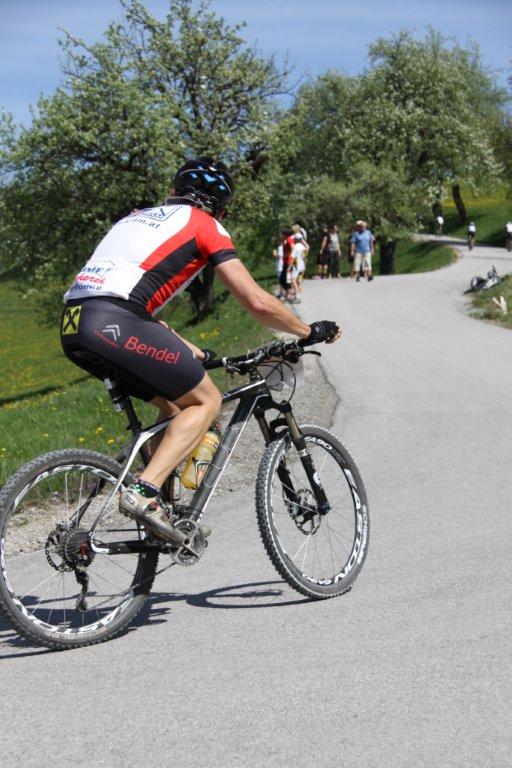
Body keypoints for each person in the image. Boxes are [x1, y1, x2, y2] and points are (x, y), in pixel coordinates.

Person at [60, 157, 342, 543]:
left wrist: (190, 348)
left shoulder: (134, 219)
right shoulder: (206, 226)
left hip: (76, 323)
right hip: (116, 321)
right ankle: (144, 493)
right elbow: (257, 302)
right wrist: (308, 330)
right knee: (206, 402)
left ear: (173, 191)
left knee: (175, 408)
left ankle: (160, 510)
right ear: (221, 209)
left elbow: (130, 303)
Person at [290, 233, 307, 302]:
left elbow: (292, 258)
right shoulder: (303, 247)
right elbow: (304, 256)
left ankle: (297, 296)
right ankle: (298, 295)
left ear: (296, 239)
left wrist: (289, 267)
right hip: (302, 265)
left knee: (293, 280)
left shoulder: (295, 247)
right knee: (299, 281)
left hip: (296, 265)